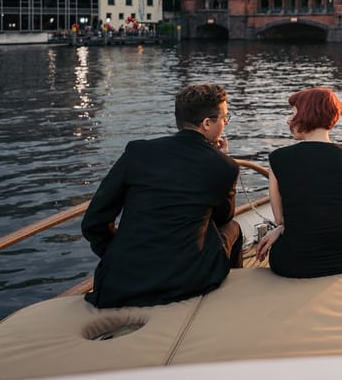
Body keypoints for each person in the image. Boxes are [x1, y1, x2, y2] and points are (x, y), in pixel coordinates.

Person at [81, 83, 241, 308]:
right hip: (187, 281)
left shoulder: (138, 152)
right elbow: (223, 217)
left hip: (120, 282)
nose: (225, 123)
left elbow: (93, 222)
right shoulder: (223, 165)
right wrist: (223, 159)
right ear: (207, 124)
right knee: (234, 228)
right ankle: (230, 301)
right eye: (224, 118)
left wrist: (116, 255)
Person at [255, 87, 342, 278]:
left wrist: (279, 229)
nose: (289, 120)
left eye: (293, 114)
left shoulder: (278, 159)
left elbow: (281, 220)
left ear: (306, 115)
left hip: (292, 263)